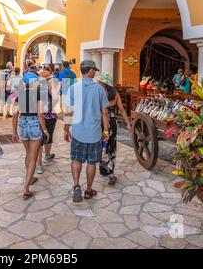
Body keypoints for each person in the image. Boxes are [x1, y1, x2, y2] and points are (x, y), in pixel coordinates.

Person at [64, 60, 110, 203]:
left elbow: (68, 112)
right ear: (90, 71)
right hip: (94, 133)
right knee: (91, 163)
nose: (95, 72)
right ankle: (88, 190)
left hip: (78, 132)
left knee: (76, 160)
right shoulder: (100, 90)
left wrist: (66, 129)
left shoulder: (73, 88)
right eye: (94, 70)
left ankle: (76, 186)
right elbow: (104, 113)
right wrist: (106, 131)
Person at [12, 71, 49, 199]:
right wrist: (45, 130)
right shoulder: (38, 94)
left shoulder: (19, 95)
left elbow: (15, 115)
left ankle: (30, 177)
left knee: (28, 154)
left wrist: (14, 132)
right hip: (34, 124)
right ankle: (26, 187)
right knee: (33, 157)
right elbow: (40, 115)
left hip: (22, 124)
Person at [95, 73, 132, 185]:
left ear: (102, 83)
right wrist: (128, 124)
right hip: (113, 123)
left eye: (99, 81)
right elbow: (122, 110)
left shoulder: (99, 93)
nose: (97, 82)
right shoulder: (115, 93)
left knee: (102, 145)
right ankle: (110, 171)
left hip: (101, 122)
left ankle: (104, 170)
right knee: (111, 146)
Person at [36, 70, 58, 175]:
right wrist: (53, 87)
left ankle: (39, 165)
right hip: (48, 116)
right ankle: (47, 155)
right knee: (49, 136)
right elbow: (55, 99)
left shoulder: (34, 88)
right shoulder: (48, 88)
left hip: (36, 117)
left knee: (39, 141)